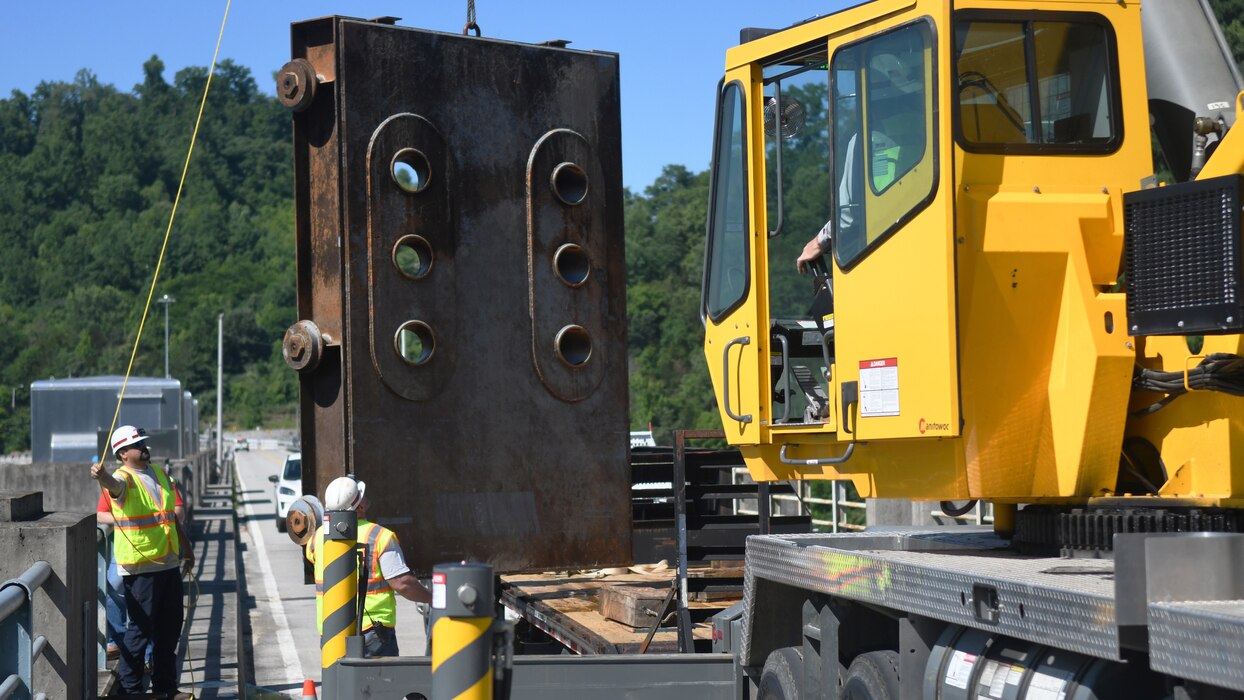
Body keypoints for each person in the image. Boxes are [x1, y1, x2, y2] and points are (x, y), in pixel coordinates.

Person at [90, 425, 193, 700]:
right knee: (139, 632)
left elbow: (168, 515)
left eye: (143, 442)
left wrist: (186, 547)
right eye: (137, 444)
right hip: (141, 567)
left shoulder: (158, 473)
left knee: (169, 630)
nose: (144, 447)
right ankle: (132, 690)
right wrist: (103, 477)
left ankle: (165, 688)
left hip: (168, 564)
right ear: (123, 453)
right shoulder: (123, 479)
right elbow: (115, 488)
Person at [307, 475, 432, 657]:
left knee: (339, 681)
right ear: (361, 505)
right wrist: (431, 598)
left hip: (332, 630)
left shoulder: (317, 537)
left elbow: (312, 558)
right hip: (372, 631)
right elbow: (402, 583)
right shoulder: (380, 536)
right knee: (381, 683)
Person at [97, 481, 185, 661]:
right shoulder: (119, 479)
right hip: (130, 550)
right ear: (124, 455)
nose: (143, 452)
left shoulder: (162, 478)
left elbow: (179, 513)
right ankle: (120, 643)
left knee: (151, 606)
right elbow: (101, 514)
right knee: (113, 591)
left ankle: (147, 656)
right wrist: (126, 519)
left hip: (160, 554)